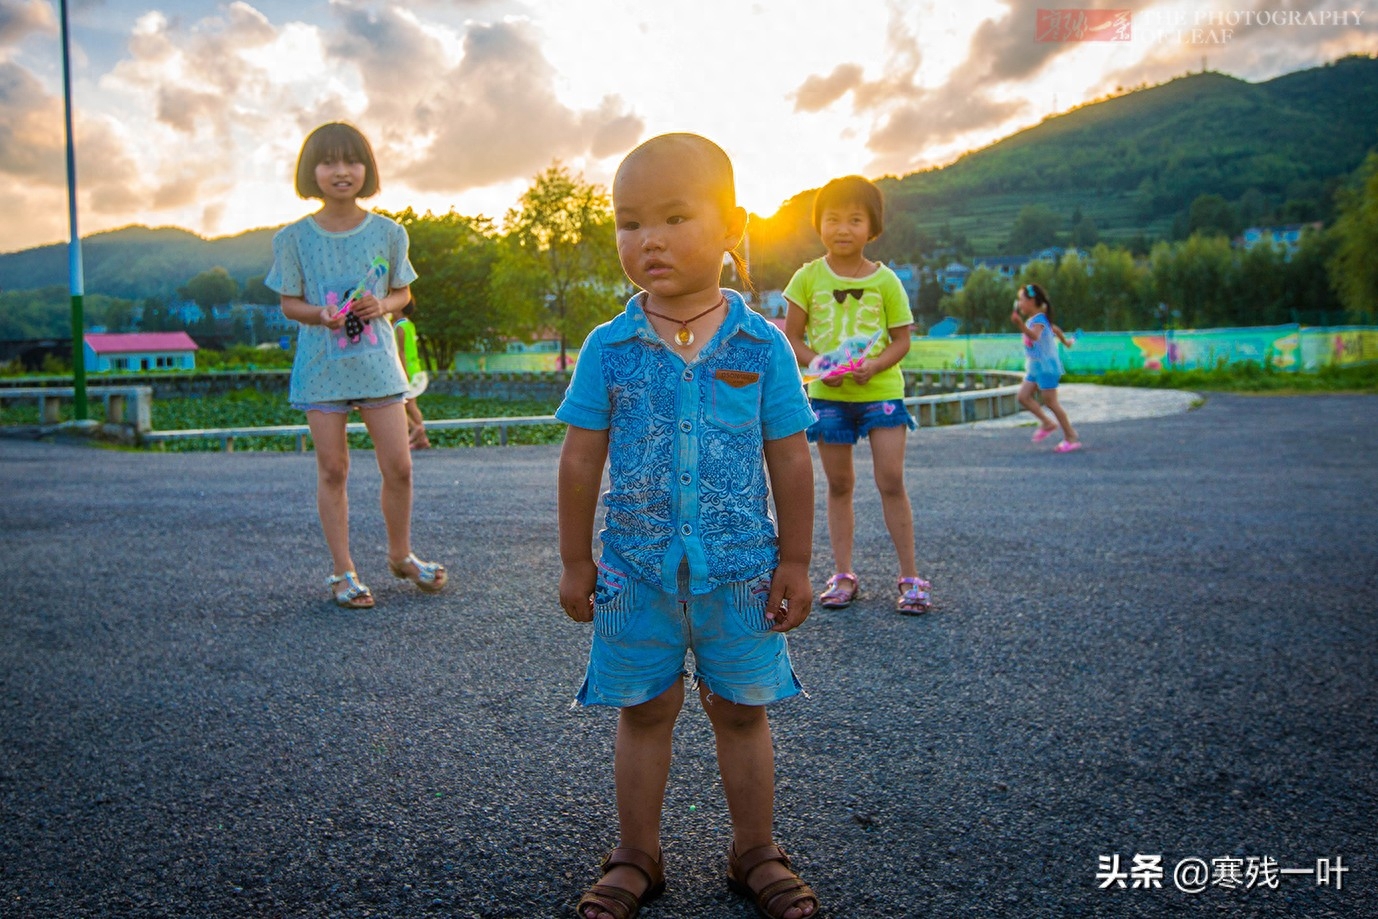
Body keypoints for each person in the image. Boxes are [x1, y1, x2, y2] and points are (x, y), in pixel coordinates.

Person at [558, 133, 820, 919]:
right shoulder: (608, 347)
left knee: (741, 710)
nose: (650, 239)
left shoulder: (762, 345)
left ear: (732, 226)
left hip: (741, 572)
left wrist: (797, 561)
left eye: (675, 217)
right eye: (630, 221)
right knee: (644, 710)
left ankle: (755, 850)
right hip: (634, 571)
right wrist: (575, 560)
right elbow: (579, 460)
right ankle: (636, 851)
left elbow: (791, 458)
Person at [265, 122, 447, 608]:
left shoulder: (389, 232)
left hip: (377, 365)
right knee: (333, 469)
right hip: (322, 367)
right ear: (312, 171)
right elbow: (288, 303)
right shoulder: (293, 238)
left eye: (352, 161)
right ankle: (343, 571)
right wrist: (319, 314)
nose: (341, 171)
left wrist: (382, 305)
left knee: (400, 466)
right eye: (329, 162)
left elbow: (402, 293)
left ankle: (401, 556)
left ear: (367, 168)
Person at [783, 175, 932, 616]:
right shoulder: (807, 277)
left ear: (872, 228)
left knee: (891, 479)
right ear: (819, 224)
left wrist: (876, 365)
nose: (842, 229)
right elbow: (791, 337)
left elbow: (902, 340)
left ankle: (910, 577)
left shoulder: (887, 281)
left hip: (881, 392)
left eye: (854, 219)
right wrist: (820, 365)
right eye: (832, 219)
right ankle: (843, 575)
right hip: (828, 397)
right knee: (839, 484)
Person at [1010, 282, 1081, 453]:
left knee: (1051, 402)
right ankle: (1048, 423)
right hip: (1035, 366)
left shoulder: (1039, 320)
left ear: (1031, 301)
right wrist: (1066, 342)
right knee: (1023, 397)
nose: (1019, 304)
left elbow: (1034, 336)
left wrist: (1020, 325)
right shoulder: (1035, 320)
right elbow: (1054, 329)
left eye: (1021, 300)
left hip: (1046, 366)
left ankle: (1071, 436)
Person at [394, 299, 431, 450]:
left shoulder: (399, 327)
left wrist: (403, 372)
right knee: (412, 405)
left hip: (407, 370)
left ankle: (416, 429)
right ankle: (422, 438)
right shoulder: (409, 324)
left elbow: (401, 351)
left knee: (399, 406)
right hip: (415, 368)